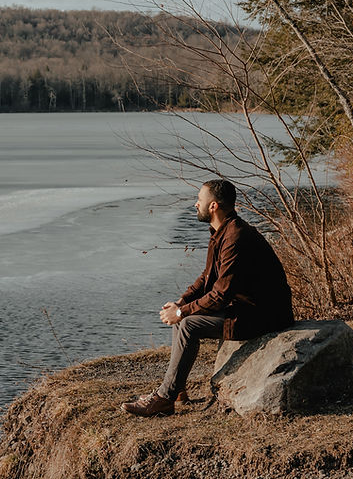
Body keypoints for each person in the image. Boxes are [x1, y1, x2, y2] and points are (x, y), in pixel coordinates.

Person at [121, 178, 294, 417]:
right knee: (184, 319)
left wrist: (182, 312)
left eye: (199, 200)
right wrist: (182, 302)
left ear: (213, 206)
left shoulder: (235, 237)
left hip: (263, 316)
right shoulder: (222, 232)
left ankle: (163, 399)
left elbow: (220, 295)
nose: (195, 204)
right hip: (244, 308)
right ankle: (176, 388)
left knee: (187, 324)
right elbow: (207, 277)